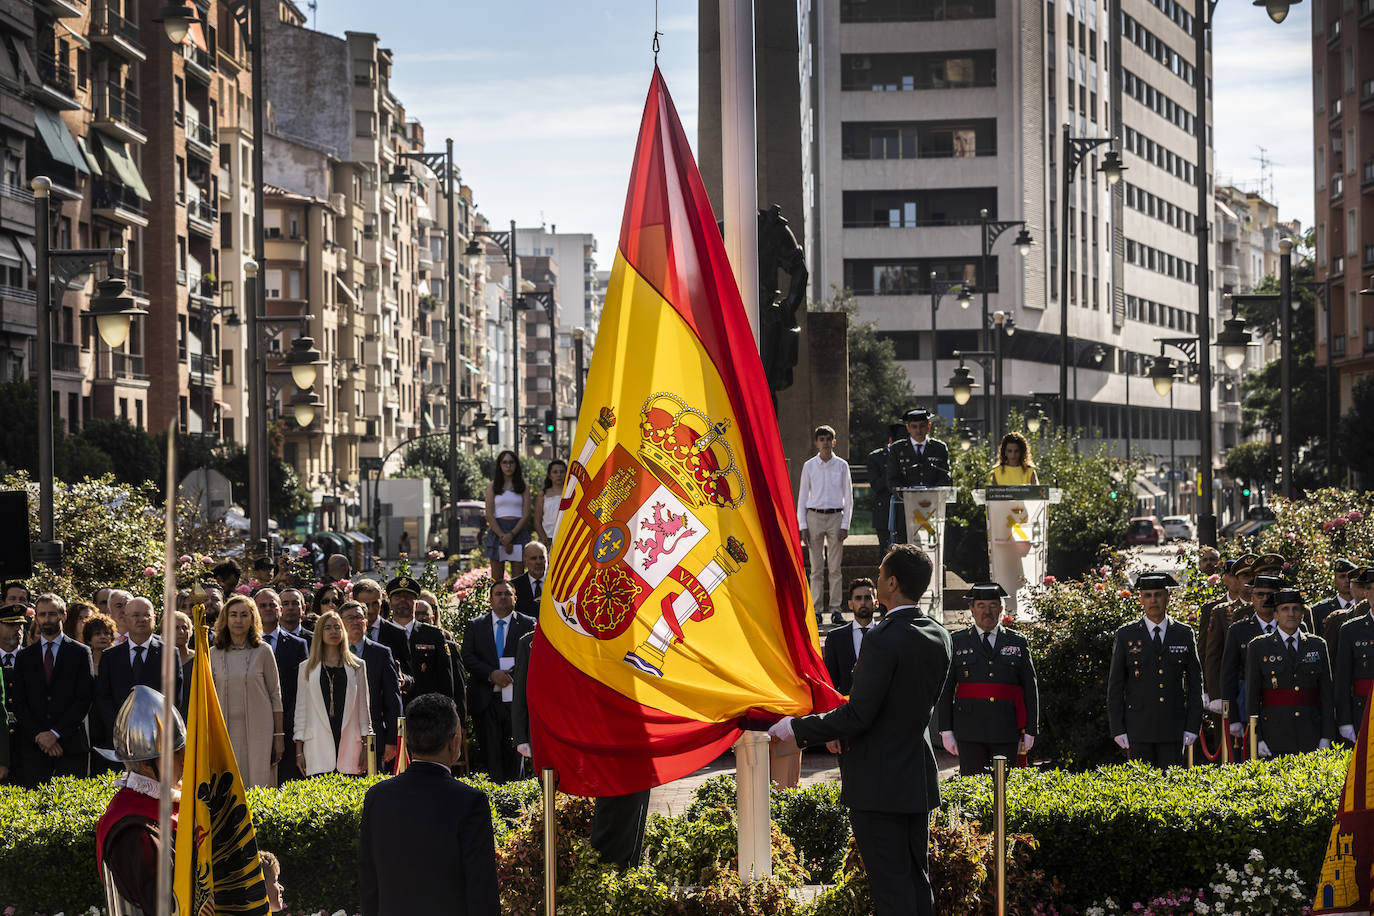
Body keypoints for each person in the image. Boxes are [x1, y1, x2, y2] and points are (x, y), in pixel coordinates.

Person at [770, 543, 952, 916]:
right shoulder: (939, 634)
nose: (879, 577)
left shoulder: (882, 638)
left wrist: (797, 729)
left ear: (893, 583)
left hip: (879, 783)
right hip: (915, 776)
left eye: (882, 573)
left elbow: (858, 715)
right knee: (918, 880)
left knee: (890, 887)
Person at [358, 693, 499, 916]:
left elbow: (369, 886)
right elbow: (481, 890)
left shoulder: (378, 797)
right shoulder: (470, 802)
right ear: (454, 742)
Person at [94, 686, 195, 915]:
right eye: (176, 754)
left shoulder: (157, 805)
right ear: (146, 765)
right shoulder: (135, 831)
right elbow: (168, 906)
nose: (184, 761)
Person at [937, 582, 1039, 776]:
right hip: (969, 730)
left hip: (1006, 729)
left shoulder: (1017, 642)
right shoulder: (957, 641)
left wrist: (1031, 729)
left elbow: (1030, 688)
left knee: (1004, 787)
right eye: (981, 606)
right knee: (972, 787)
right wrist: (946, 729)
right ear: (971, 610)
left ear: (1001, 610)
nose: (987, 611)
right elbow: (946, 687)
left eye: (993, 606)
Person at [1106, 572, 1203, 768]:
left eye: (1158, 594)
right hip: (1138, 728)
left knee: (1172, 791)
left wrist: (1193, 726)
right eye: (1148, 595)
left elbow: (1195, 683)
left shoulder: (1183, 634)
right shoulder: (1126, 634)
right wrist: (1117, 728)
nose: (1153, 600)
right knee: (1140, 791)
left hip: (1172, 727)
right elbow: (1115, 686)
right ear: (1140, 599)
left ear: (1168, 597)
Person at [13, 593, 94, 784]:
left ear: (63, 616)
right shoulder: (25, 657)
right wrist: (41, 736)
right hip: (34, 749)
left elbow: (84, 698)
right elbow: (19, 702)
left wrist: (56, 734)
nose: (46, 619)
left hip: (71, 746)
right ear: (36, 618)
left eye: (51, 614)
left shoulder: (80, 652)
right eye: (42, 615)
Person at [460, 579, 534, 783]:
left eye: (507, 594)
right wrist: (492, 674)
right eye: (498, 594)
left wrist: (514, 675)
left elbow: (533, 656)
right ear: (490, 600)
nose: (503, 598)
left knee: (516, 754)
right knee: (490, 754)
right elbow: (467, 656)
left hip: (516, 701)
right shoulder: (476, 625)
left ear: (515, 599)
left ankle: (515, 799)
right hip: (486, 699)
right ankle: (494, 799)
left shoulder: (528, 624)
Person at [1246, 589, 1335, 756]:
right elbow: (1252, 697)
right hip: (1274, 735)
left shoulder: (1317, 645)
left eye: (1295, 608)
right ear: (1276, 615)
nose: (1291, 613)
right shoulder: (1259, 647)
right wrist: (1257, 738)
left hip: (1311, 733)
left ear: (1302, 614)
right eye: (1285, 609)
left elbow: (1326, 695)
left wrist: (1326, 735)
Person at [209, 595, 284, 788]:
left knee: (258, 783)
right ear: (225, 619)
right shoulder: (212, 654)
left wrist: (279, 737)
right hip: (223, 729)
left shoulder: (264, 651)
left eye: (244, 615)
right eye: (233, 615)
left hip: (260, 730)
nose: (238, 620)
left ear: (252, 619)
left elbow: (275, 696)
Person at [95, 597, 181, 748]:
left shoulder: (170, 653)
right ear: (125, 619)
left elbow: (174, 697)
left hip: (157, 740)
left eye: (147, 615)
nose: (141, 619)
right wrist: (120, 728)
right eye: (135, 615)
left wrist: (157, 730)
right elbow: (103, 697)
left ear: (154, 618)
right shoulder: (110, 656)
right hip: (119, 740)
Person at [295, 610, 372, 776]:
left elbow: (364, 710)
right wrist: (299, 751)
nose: (333, 632)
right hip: (316, 745)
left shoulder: (357, 666)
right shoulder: (306, 668)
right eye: (328, 628)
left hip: (351, 744)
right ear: (319, 633)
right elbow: (301, 711)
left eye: (337, 627)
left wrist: (366, 747)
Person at [797, 424, 854, 627]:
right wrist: (802, 524)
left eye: (828, 439)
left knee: (835, 567)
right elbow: (803, 495)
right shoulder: (809, 466)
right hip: (814, 516)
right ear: (816, 443)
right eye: (821, 439)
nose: (825, 443)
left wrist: (845, 524)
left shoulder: (841, 465)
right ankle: (817, 609)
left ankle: (836, 609)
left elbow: (849, 495)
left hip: (835, 516)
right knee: (816, 568)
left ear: (834, 442)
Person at [258, 587, 309, 784]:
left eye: (272, 605)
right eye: (262, 605)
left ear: (280, 610)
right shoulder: (247, 644)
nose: (268, 609)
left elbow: (302, 691)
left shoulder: (298, 645)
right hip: (255, 725)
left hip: (289, 726)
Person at [342, 600, 402, 772]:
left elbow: (393, 699)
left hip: (374, 736)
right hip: (342, 736)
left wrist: (392, 740)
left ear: (366, 623)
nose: (355, 622)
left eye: (359, 617)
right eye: (350, 618)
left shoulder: (382, 653)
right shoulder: (332, 653)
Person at [1221, 572, 1285, 730]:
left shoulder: (1293, 627)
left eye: (1270, 595)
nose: (1264, 599)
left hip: (1284, 706)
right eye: (1259, 594)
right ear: (1252, 598)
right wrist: (1233, 718)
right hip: (1247, 707)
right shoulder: (1238, 630)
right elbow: (1229, 676)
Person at [387, 576, 459, 711]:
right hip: (391, 711)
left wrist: (449, 714)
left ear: (415, 604)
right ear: (390, 603)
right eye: (397, 597)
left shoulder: (434, 635)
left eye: (408, 597)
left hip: (427, 712)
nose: (403, 601)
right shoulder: (381, 634)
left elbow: (445, 680)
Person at [885, 408, 952, 545]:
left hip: (933, 509)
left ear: (928, 426)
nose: (918, 430)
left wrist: (934, 494)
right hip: (907, 509)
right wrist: (908, 496)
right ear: (908, 428)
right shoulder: (898, 449)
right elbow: (892, 479)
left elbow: (945, 477)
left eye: (922, 426)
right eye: (914, 427)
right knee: (907, 548)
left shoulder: (939, 448)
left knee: (933, 545)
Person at [1334, 567, 1374, 744]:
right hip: (1363, 712)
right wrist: (1345, 721)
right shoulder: (1351, 629)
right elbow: (1342, 679)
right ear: (1366, 592)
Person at [822, 578, 878, 696]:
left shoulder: (887, 634)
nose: (863, 602)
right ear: (850, 604)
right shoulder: (835, 638)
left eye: (867, 598)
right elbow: (831, 682)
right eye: (858, 598)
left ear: (876, 603)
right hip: (848, 707)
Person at [355, 578, 413, 689]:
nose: (371, 610)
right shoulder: (345, 632)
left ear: (382, 602)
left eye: (375, 604)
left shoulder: (397, 634)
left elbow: (410, 675)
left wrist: (402, 679)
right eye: (366, 605)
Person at [483, 450, 531, 579]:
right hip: (497, 533)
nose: (508, 466)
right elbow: (489, 514)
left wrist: (511, 534)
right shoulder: (492, 487)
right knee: (497, 579)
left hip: (518, 532)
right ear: (499, 465)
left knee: (518, 579)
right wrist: (502, 536)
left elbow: (526, 514)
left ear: (516, 465)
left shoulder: (523, 487)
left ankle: (518, 600)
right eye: (505, 463)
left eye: (511, 462)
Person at [866, 424, 904, 552]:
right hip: (884, 513)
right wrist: (892, 469)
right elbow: (876, 485)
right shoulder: (876, 457)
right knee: (886, 551)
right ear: (891, 441)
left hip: (907, 512)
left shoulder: (909, 456)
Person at [1324, 563, 1372, 651]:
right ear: (1351, 588)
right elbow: (1332, 659)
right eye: (1361, 587)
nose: (1365, 591)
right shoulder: (1337, 620)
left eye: (1369, 587)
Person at [0, 603, 20, 783]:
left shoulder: (32, 658)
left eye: (20, 625)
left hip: (27, 746)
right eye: (10, 625)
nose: (17, 629)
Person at [1313, 558, 1358, 633]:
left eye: (1350, 577)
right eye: (1342, 577)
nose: (1347, 581)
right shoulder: (1319, 610)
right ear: (1334, 581)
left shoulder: (1366, 607)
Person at [510, 541, 548, 618]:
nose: (538, 562)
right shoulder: (514, 586)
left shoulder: (555, 584)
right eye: (533, 558)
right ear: (525, 561)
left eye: (541, 557)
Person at [534, 459, 568, 546]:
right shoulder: (543, 494)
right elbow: (537, 521)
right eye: (555, 472)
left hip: (566, 537)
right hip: (548, 537)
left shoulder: (571, 493)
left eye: (562, 472)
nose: (559, 475)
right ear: (549, 475)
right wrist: (545, 540)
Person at [173, 610, 195, 711]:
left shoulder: (199, 659)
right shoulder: (160, 660)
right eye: (175, 628)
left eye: (185, 628)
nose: (181, 632)